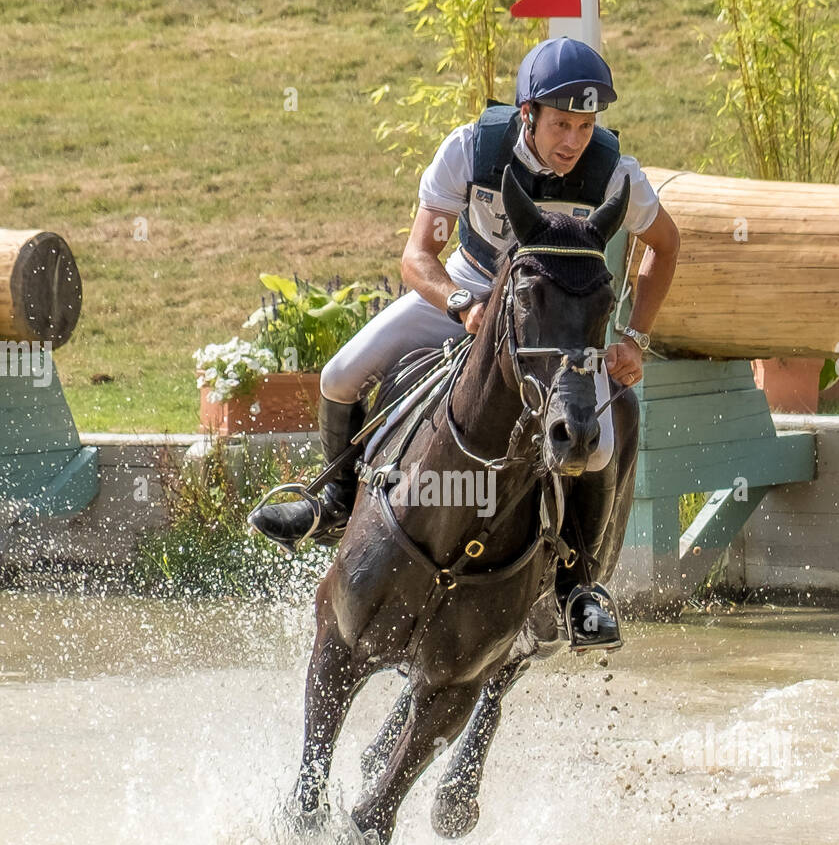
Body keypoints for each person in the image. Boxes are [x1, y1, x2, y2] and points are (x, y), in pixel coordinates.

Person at [250, 37, 681, 648]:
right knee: (339, 375)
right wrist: (460, 302)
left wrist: (634, 336)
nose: (573, 141)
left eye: (585, 126)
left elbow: (666, 246)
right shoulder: (472, 149)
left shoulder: (614, 172)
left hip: (552, 330)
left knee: (601, 446)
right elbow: (417, 255)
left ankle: (579, 587)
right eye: (561, 124)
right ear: (527, 113)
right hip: (472, 296)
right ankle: (335, 502)